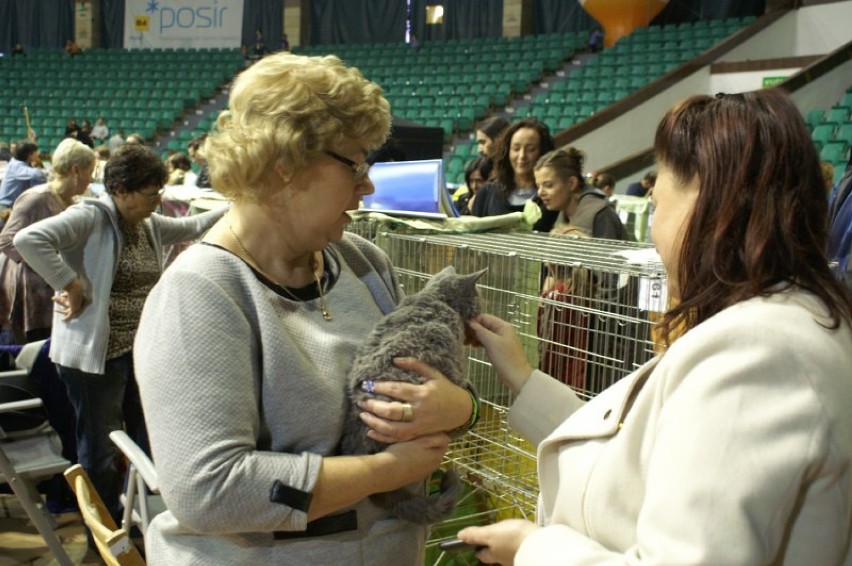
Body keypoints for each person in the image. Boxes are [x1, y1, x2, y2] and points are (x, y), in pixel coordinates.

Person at [456, 89, 852, 564]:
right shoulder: (773, 326)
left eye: (660, 204)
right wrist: (521, 376)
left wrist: (534, 548)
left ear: (709, 205)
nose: (654, 230)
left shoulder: (759, 352)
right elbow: (637, 447)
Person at [132, 51, 477, 564]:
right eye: (355, 163)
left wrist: (461, 408)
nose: (367, 185)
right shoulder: (202, 292)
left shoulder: (363, 263)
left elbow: (425, 378)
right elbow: (208, 491)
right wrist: (386, 472)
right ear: (285, 161)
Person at [13, 143, 227, 522]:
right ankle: (106, 529)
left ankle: (146, 518)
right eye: (150, 193)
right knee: (99, 449)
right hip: (96, 359)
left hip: (134, 352)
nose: (157, 201)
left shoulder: (144, 224)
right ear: (121, 191)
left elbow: (192, 226)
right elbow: (28, 240)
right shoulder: (91, 217)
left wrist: (239, 206)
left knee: (145, 438)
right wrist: (70, 282)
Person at [0, 139, 95, 344]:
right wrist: (47, 259)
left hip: (56, 287)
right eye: (90, 171)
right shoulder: (36, 198)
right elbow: (7, 241)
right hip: (32, 292)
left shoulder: (73, 203)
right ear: (76, 170)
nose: (92, 178)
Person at [471, 118, 558, 232]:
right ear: (507, 151)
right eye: (516, 149)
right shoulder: (487, 193)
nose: (522, 156)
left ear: (542, 152)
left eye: (530, 149)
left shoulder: (553, 197)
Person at [535, 147, 628, 240]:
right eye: (538, 186)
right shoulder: (563, 210)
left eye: (548, 185)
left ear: (571, 183)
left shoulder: (600, 214)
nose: (540, 193)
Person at [0, 141, 47, 209]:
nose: (38, 154)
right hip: (6, 207)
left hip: (14, 205)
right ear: (29, 155)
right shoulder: (17, 167)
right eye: (36, 152)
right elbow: (37, 174)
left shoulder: (16, 161)